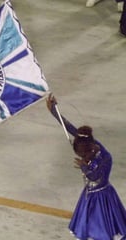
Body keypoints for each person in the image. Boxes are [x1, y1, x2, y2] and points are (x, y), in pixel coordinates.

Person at [46, 94, 126, 240]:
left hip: (102, 198)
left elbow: (95, 176)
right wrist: (54, 112)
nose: (81, 156)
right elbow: (70, 129)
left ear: (88, 150)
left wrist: (85, 167)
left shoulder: (105, 158)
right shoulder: (87, 142)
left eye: (82, 154)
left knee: (102, 232)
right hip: (89, 195)